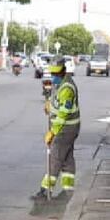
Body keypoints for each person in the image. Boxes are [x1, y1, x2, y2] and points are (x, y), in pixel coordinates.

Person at [34, 62, 81, 200]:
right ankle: (68, 191)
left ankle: (45, 190)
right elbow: (57, 104)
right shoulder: (60, 85)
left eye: (56, 74)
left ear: (63, 72)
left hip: (66, 128)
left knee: (55, 158)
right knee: (66, 159)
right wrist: (49, 104)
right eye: (52, 74)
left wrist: (53, 132)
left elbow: (63, 114)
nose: (53, 76)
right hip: (68, 128)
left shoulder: (67, 88)